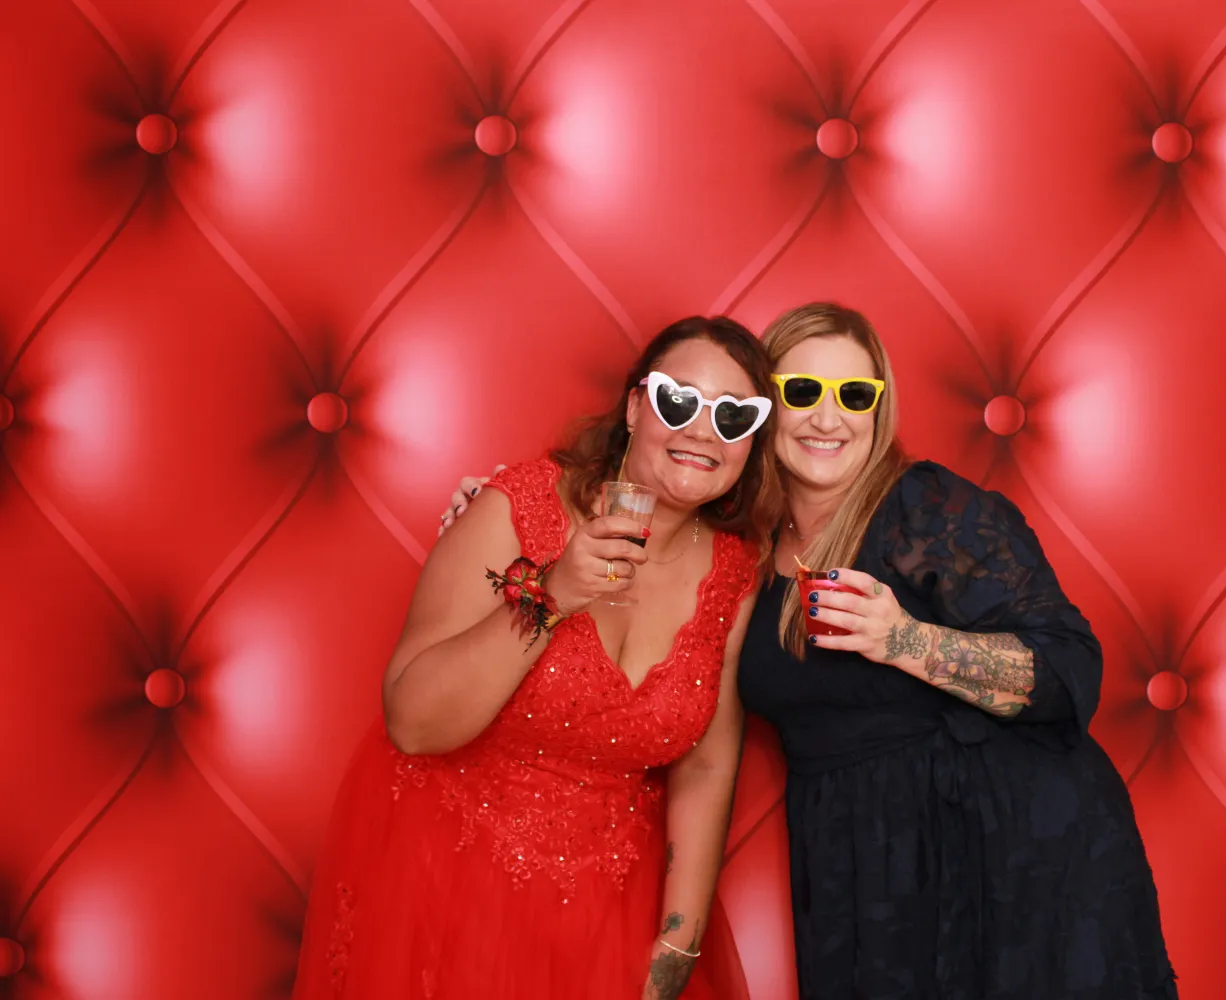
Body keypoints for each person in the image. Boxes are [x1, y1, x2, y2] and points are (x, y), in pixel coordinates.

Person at [442, 302, 1178, 999]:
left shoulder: (927, 509)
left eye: (855, 393)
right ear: (762, 415)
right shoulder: (747, 554)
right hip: (864, 867)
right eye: (803, 390)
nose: (829, 416)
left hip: (1009, 850)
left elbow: (1068, 671)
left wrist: (907, 640)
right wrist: (511, 522)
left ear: (878, 411)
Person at [291, 315, 783, 1000]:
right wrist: (554, 593)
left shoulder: (736, 569)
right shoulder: (518, 504)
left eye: (734, 416)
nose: (704, 431)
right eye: (680, 401)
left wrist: (678, 940)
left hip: (607, 914)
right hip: (443, 884)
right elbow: (413, 721)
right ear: (638, 407)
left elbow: (706, 765)